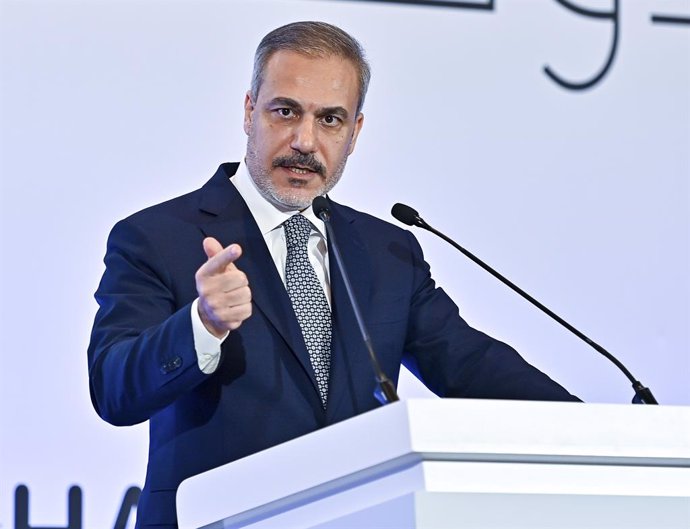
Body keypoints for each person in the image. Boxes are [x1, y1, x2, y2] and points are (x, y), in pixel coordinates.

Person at [88, 21, 579, 528]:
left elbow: (471, 365)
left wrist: (600, 429)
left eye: (330, 120)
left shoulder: (387, 250)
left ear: (355, 132)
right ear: (249, 110)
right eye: (285, 111)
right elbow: (113, 388)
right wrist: (202, 324)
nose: (305, 140)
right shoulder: (156, 236)